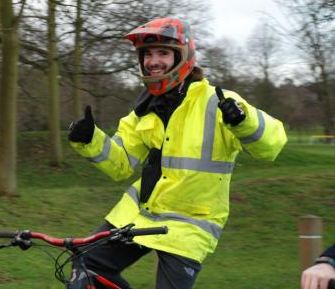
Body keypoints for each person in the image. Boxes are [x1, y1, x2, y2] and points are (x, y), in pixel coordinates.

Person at [67, 17, 288, 289]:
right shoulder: (145, 109)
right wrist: (90, 139)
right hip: (140, 215)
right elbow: (120, 164)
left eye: (162, 53)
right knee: (85, 267)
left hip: (189, 225)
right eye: (147, 54)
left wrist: (243, 121)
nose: (153, 61)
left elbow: (273, 144)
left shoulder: (217, 101)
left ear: (183, 56)